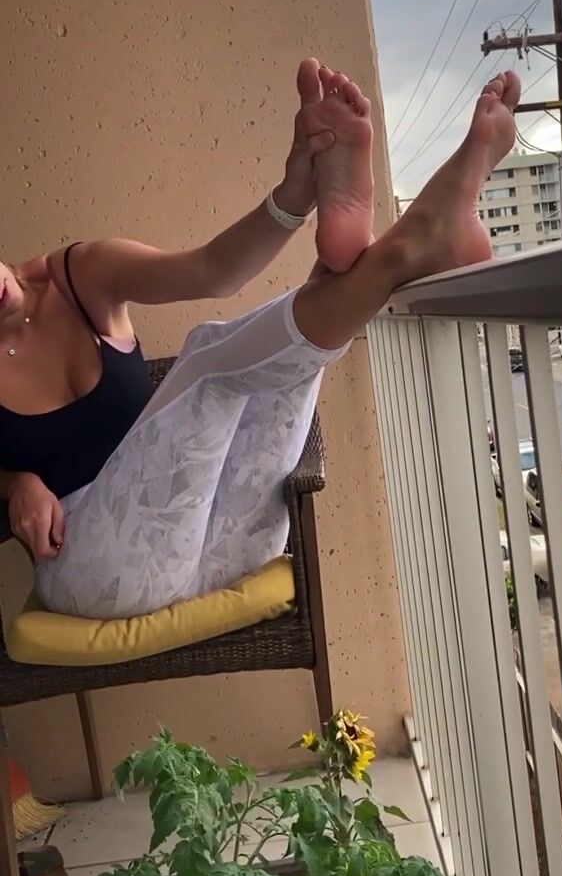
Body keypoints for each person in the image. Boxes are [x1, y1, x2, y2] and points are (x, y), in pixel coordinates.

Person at [0, 60, 521, 620]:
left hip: (221, 538)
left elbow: (211, 272)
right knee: (208, 361)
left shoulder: (78, 276)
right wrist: (14, 485)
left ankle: (357, 252)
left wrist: (293, 194)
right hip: (92, 570)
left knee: (275, 371)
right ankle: (402, 248)